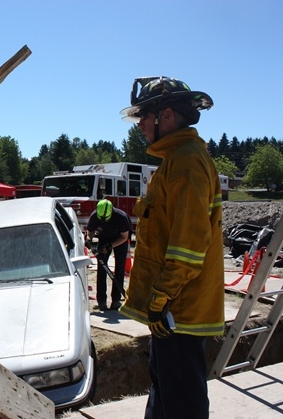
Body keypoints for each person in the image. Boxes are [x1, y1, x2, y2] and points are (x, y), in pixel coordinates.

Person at [118, 76, 224, 419]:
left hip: (179, 310)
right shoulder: (176, 159)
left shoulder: (187, 162)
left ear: (165, 116)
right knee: (165, 395)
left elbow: (189, 245)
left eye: (142, 118)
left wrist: (161, 298)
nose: (140, 127)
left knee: (181, 404)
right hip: (171, 311)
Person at [86, 199, 131, 311]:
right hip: (104, 238)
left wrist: (110, 246)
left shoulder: (121, 217)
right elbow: (90, 231)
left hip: (119, 239)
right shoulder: (94, 216)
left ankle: (116, 300)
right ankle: (101, 301)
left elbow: (124, 237)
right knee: (102, 268)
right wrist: (89, 239)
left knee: (119, 269)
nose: (103, 221)